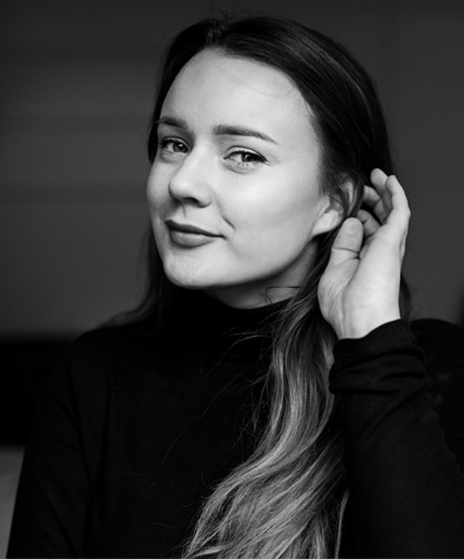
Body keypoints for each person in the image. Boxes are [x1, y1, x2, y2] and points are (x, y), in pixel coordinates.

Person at [7, 15, 464, 559]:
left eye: (244, 155)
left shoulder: (431, 374)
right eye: (174, 143)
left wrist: (370, 338)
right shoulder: (95, 379)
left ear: (334, 202)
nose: (182, 182)